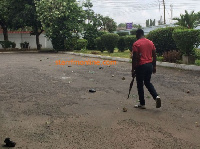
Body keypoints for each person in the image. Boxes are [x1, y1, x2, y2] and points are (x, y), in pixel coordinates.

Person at [131, 29, 161, 109]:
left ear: (137, 34)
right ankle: (156, 96)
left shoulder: (136, 44)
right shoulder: (150, 42)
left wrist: (133, 69)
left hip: (141, 66)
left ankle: (142, 103)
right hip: (149, 65)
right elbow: (154, 55)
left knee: (140, 84)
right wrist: (154, 66)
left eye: (136, 34)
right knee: (147, 82)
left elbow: (135, 58)